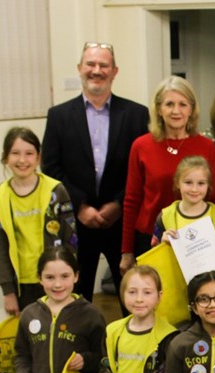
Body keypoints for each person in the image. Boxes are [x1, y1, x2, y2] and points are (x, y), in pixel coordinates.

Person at [41, 41, 149, 302]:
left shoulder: (137, 114)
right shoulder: (59, 116)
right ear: (80, 68)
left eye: (104, 65)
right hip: (76, 222)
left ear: (115, 71)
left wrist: (118, 204)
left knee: (134, 297)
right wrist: (80, 206)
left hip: (122, 221)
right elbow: (50, 168)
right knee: (76, 299)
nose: (96, 70)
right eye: (91, 64)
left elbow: (143, 169)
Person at [121, 76, 215, 271]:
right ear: (159, 109)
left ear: (191, 109)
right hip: (150, 239)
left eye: (183, 104)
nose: (176, 111)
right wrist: (127, 252)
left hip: (196, 241)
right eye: (169, 104)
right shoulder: (141, 146)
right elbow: (131, 200)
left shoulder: (206, 146)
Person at [0, 127, 77, 316]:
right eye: (15, 153)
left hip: (56, 280)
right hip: (22, 285)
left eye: (29, 153)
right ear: (5, 158)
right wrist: (8, 291)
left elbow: (71, 239)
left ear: (38, 158)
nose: (22, 160)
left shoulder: (56, 191)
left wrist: (68, 279)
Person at [100, 265, 176, 373]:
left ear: (159, 296)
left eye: (147, 292)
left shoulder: (169, 336)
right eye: (132, 292)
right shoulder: (112, 331)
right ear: (122, 294)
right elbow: (103, 364)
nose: (139, 299)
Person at [150, 155, 215, 247]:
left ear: (208, 185)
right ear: (178, 183)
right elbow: (154, 251)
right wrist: (162, 244)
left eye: (201, 183)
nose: (194, 189)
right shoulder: (165, 216)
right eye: (188, 182)